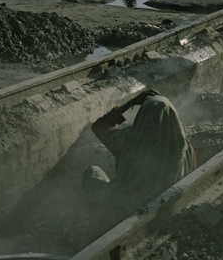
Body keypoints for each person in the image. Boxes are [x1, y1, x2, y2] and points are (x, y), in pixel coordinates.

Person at [82, 89, 195, 220]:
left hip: (122, 209)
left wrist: (132, 102)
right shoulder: (186, 149)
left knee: (92, 171)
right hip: (162, 211)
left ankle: (94, 218)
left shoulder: (129, 141)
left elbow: (99, 126)